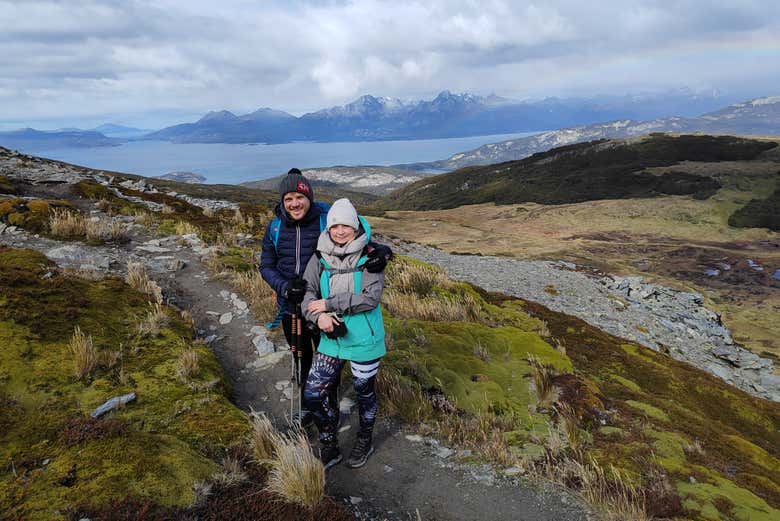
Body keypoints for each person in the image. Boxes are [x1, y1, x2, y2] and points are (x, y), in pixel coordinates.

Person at [259, 168, 391, 425]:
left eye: (300, 197)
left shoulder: (324, 218)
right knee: (302, 358)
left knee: (328, 358)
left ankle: (328, 407)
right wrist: (285, 288)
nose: (295, 203)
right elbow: (266, 266)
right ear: (282, 202)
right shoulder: (274, 228)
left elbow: (353, 227)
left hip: (326, 309)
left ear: (309, 197)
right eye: (288, 199)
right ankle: (313, 409)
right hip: (291, 307)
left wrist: (383, 250)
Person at [301, 198, 386, 469]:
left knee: (364, 395)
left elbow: (370, 299)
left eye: (346, 225)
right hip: (332, 339)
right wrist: (318, 316)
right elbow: (307, 293)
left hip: (364, 341)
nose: (340, 231)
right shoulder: (318, 256)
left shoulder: (371, 255)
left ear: (355, 225)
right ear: (328, 228)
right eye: (335, 225)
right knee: (313, 394)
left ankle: (364, 440)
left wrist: (329, 304)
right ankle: (329, 442)